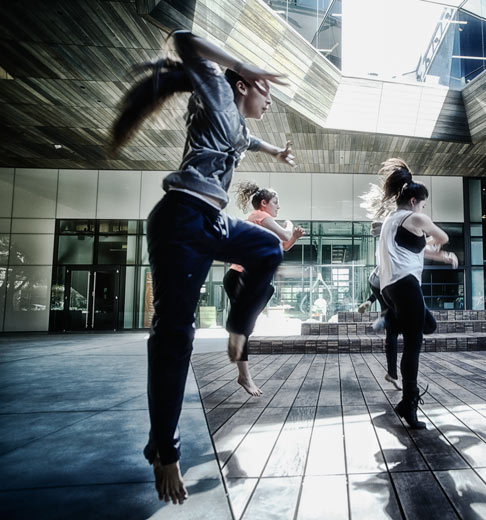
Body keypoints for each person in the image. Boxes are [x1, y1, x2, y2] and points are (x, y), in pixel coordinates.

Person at [110, 30, 295, 505]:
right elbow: (184, 39)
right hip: (181, 220)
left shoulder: (235, 121)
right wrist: (244, 62)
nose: (269, 98)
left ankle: (238, 329)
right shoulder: (217, 89)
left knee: (270, 251)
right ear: (241, 85)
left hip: (211, 220)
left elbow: (246, 140)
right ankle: (165, 451)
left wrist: (276, 153)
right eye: (263, 89)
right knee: (175, 336)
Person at [369, 158, 458, 429]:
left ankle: (391, 319)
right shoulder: (415, 218)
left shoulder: (391, 222)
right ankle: (408, 402)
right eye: (423, 203)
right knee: (414, 344)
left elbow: (419, 248)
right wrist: (435, 241)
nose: (423, 209)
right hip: (406, 284)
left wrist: (441, 258)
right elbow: (441, 237)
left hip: (390, 288)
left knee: (427, 325)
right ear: (413, 202)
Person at [224, 182, 305, 396]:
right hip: (241, 277)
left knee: (250, 320)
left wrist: (294, 237)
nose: (278, 207)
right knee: (244, 327)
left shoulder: (264, 224)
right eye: (276, 203)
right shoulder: (259, 216)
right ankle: (244, 373)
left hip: (249, 279)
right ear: (264, 203)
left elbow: (284, 245)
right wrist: (289, 226)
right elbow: (285, 235)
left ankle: (237, 335)